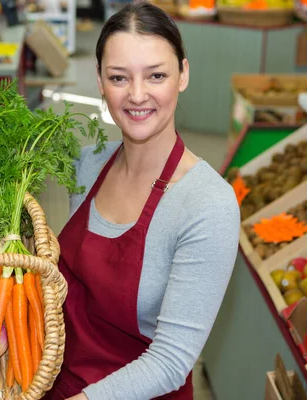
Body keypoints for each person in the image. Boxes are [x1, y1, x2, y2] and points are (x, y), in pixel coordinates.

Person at [46, 2, 240, 399]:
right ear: (99, 80)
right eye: (119, 77)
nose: (137, 95)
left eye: (156, 75)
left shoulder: (207, 205)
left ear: (183, 74)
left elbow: (170, 362)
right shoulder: (87, 167)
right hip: (59, 384)